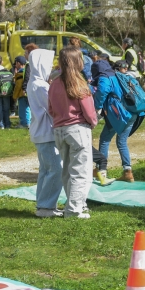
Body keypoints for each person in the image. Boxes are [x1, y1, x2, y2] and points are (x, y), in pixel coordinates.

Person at [48, 45, 98, 219]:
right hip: (77, 129)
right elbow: (89, 111)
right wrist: (93, 122)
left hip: (59, 130)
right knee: (81, 172)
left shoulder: (54, 84)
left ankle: (74, 204)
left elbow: (51, 108)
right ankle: (74, 209)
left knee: (68, 171)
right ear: (78, 61)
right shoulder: (79, 83)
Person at [94, 59, 145, 183]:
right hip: (132, 112)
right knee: (121, 142)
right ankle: (128, 172)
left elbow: (102, 91)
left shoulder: (105, 77)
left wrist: (97, 106)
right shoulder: (121, 76)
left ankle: (101, 170)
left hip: (118, 115)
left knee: (105, 139)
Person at [28, 49, 64, 218]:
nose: (50, 68)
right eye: (48, 65)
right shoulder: (40, 86)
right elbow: (52, 107)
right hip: (46, 132)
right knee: (56, 169)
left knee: (45, 170)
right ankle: (46, 206)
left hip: (40, 131)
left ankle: (43, 203)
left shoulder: (35, 82)